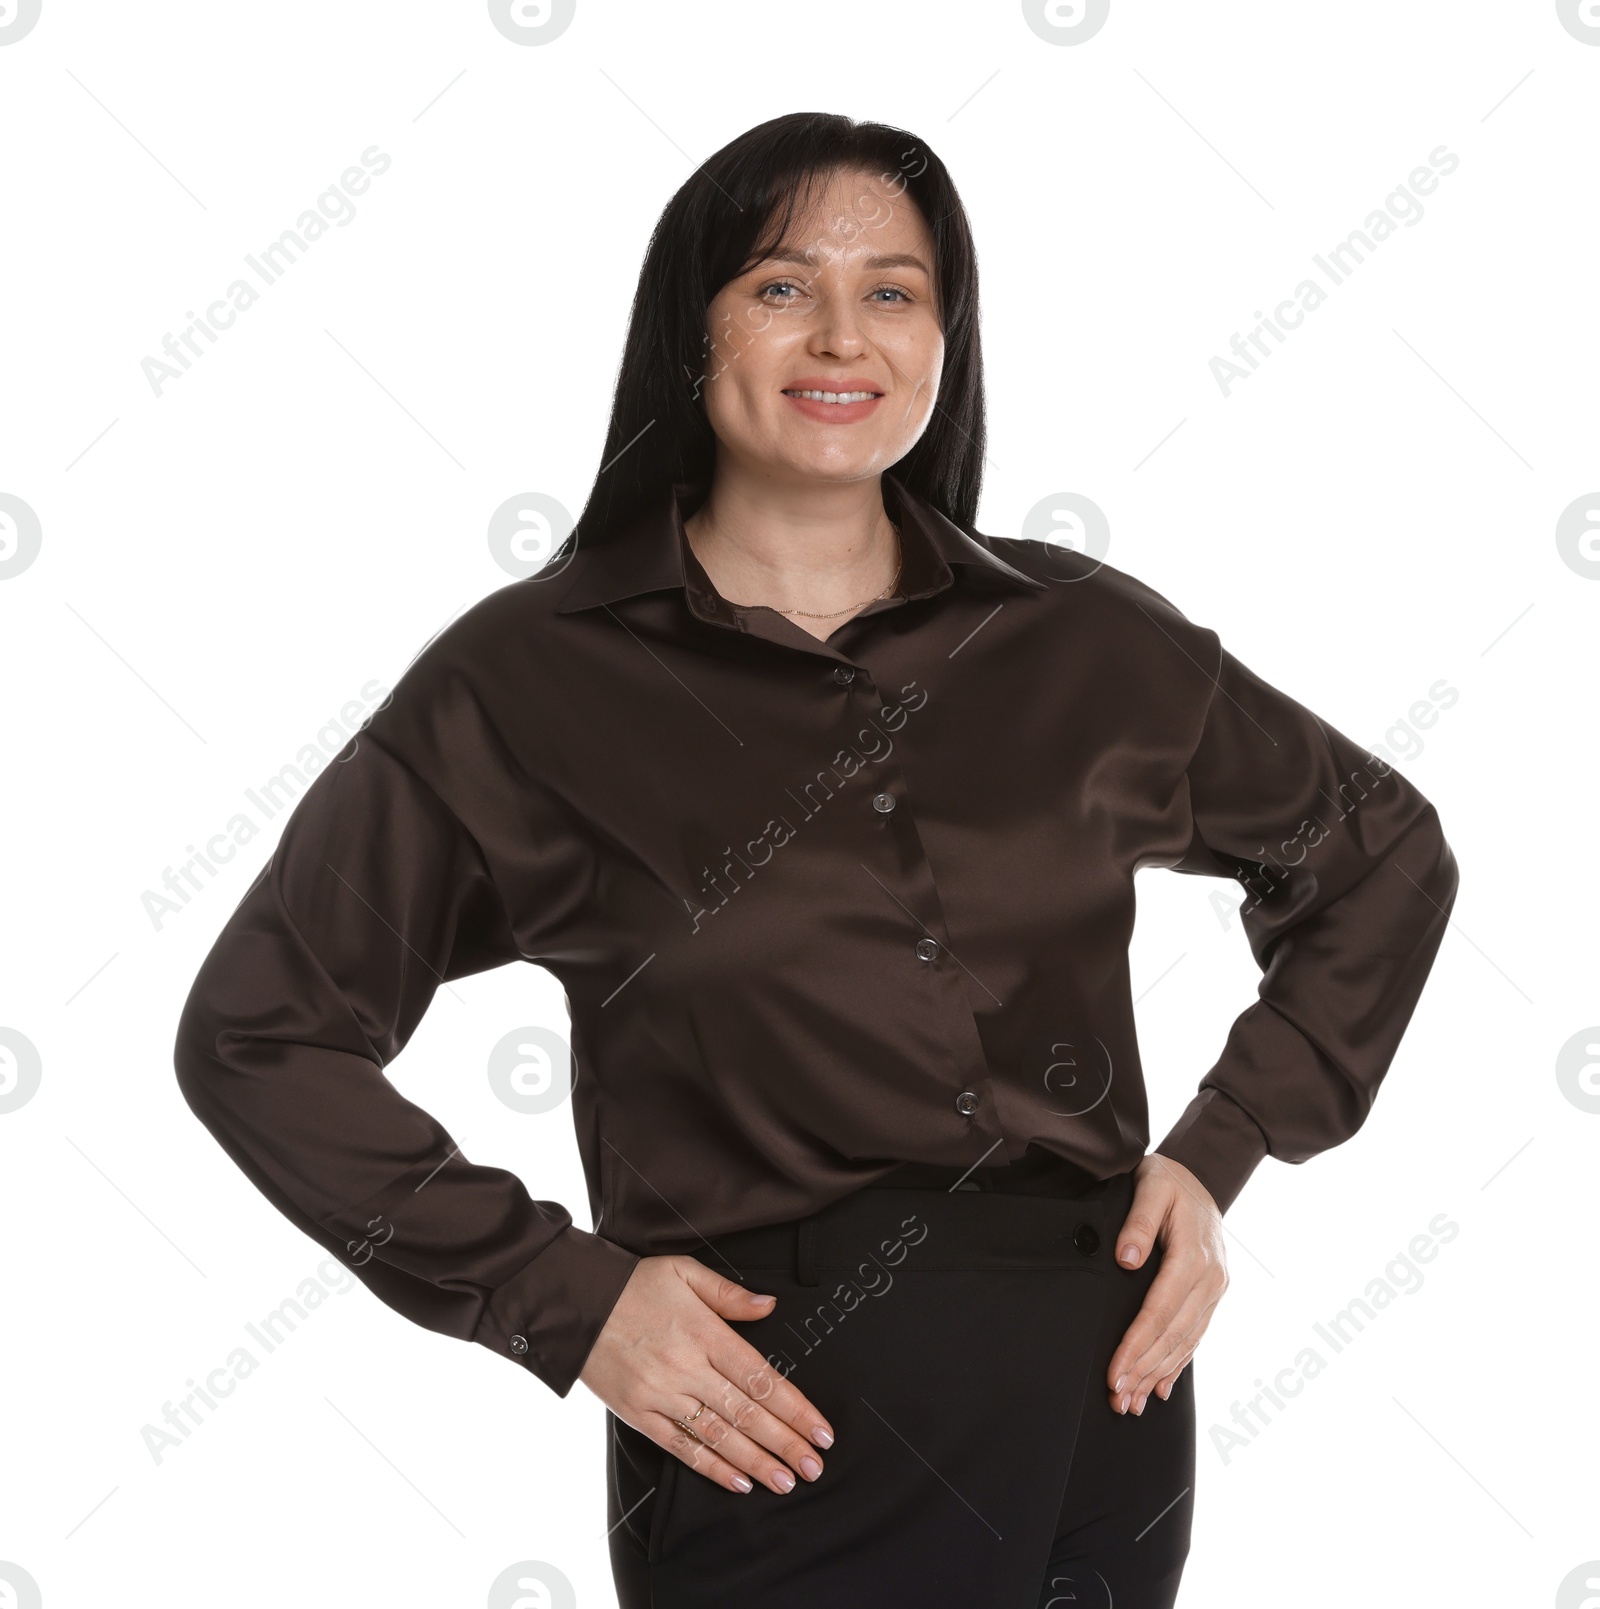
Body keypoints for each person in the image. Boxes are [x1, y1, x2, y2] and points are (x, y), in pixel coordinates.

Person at [173, 112, 1460, 1608]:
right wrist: (566, 1301)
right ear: (693, 323)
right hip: (781, 1425)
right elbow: (259, 1033)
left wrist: (1222, 1144)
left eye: (895, 290)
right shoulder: (526, 685)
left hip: (1107, 1408)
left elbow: (1376, 853)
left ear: (944, 335)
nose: (842, 333)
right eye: (784, 286)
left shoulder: (1083, 640)